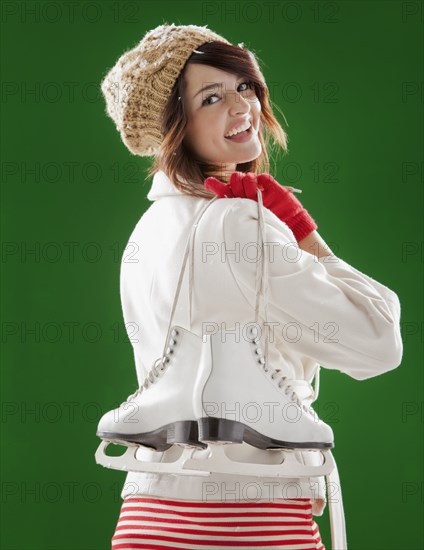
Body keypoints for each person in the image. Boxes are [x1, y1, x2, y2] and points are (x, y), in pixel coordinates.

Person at [98, 22, 403, 550]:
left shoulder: (145, 231)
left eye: (244, 85)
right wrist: (306, 234)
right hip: (248, 516)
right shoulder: (238, 225)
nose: (243, 106)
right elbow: (378, 342)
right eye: (211, 97)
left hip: (148, 510)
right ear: (174, 125)